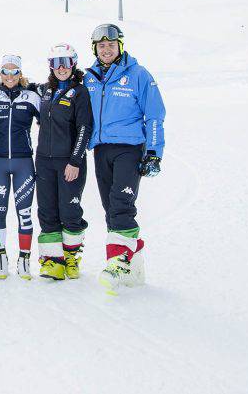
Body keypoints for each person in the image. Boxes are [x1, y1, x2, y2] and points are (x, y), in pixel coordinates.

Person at [83, 24, 166, 293]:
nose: (106, 50)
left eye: (111, 45)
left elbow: (154, 114)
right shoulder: (90, 78)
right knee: (111, 208)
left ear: (120, 46)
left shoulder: (139, 75)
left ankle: (118, 262)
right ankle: (135, 261)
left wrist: (153, 153)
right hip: (101, 149)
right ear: (95, 49)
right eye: (101, 46)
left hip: (129, 149)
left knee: (121, 203)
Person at [34, 43, 93, 281]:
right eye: (56, 63)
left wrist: (75, 161)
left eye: (65, 62)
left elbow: (84, 128)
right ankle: (52, 260)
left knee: (69, 211)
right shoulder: (46, 91)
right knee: (47, 211)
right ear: (50, 66)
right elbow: (24, 87)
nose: (61, 68)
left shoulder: (80, 92)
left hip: (69, 163)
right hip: (44, 161)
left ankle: (70, 256)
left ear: (73, 64)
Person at [0, 54, 41, 280]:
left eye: (14, 71)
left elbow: (50, 120)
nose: (9, 76)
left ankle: (24, 259)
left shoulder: (31, 97)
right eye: (5, 72)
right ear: (0, 74)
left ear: (20, 74)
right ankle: (1, 258)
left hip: (23, 162)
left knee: (24, 214)